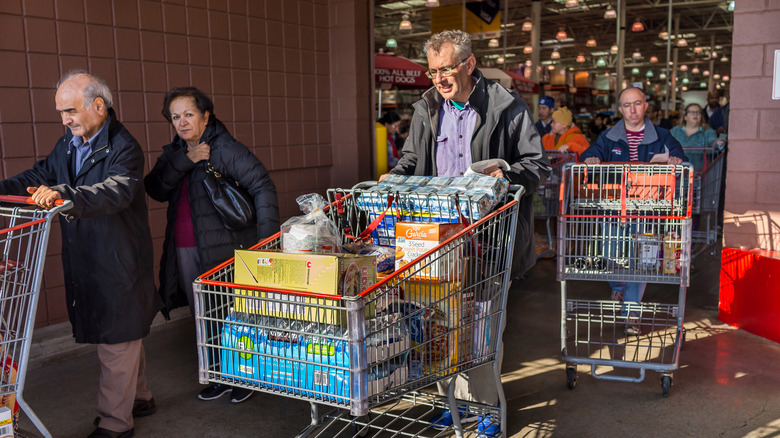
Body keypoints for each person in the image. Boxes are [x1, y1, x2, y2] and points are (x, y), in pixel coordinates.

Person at [384, 29, 550, 437]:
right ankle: (451, 403)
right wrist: (395, 176)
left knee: (481, 326)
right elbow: (411, 159)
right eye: (433, 70)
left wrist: (507, 172)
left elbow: (537, 165)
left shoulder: (505, 106)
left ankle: (487, 409)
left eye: (447, 68)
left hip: (490, 239)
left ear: (469, 64)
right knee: (440, 322)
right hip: (437, 237)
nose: (439, 78)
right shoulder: (427, 108)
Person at [0, 70, 160, 438]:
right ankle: (140, 397)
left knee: (117, 338)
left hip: (118, 257)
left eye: (69, 110)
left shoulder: (125, 147)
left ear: (98, 106)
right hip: (87, 255)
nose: (64, 119)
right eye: (60, 112)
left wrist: (64, 196)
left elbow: (114, 191)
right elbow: (38, 175)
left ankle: (115, 423)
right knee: (123, 334)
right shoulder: (68, 145)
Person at [144, 87, 279, 405]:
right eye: (175, 117)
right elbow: (155, 188)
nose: (182, 122)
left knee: (234, 314)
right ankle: (219, 376)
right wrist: (186, 160)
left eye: (188, 114)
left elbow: (262, 185)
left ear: (206, 115)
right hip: (185, 246)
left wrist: (267, 241)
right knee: (203, 314)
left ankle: (244, 376)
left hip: (226, 245)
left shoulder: (224, 147)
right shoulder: (177, 151)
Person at [580, 86, 687, 335]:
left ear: (645, 105)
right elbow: (590, 153)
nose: (633, 109)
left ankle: (631, 314)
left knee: (640, 263)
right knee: (610, 256)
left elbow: (680, 156)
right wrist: (591, 159)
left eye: (637, 103)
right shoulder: (609, 137)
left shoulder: (663, 136)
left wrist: (675, 160)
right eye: (627, 105)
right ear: (620, 109)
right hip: (615, 208)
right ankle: (619, 284)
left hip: (647, 210)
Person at [670, 103, 726, 170]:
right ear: (685, 117)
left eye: (698, 112)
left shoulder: (708, 132)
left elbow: (713, 141)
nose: (695, 114)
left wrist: (719, 142)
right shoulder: (674, 131)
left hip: (699, 173)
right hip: (678, 172)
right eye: (692, 112)